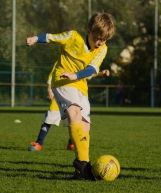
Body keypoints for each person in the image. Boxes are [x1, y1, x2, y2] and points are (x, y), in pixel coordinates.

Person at [26, 12, 115, 180]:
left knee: (85, 127)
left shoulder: (102, 48)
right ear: (89, 30)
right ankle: (83, 166)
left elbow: (92, 69)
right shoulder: (73, 36)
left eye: (104, 39)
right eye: (98, 37)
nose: (100, 42)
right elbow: (52, 37)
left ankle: (81, 168)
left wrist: (76, 75)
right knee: (74, 113)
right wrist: (36, 39)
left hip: (81, 86)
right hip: (62, 81)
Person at [28, 68, 110, 152]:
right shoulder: (64, 58)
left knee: (76, 120)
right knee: (49, 118)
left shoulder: (85, 61)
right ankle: (39, 143)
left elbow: (88, 74)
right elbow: (53, 72)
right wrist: (49, 88)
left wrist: (100, 73)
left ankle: (72, 143)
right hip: (63, 90)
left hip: (79, 93)